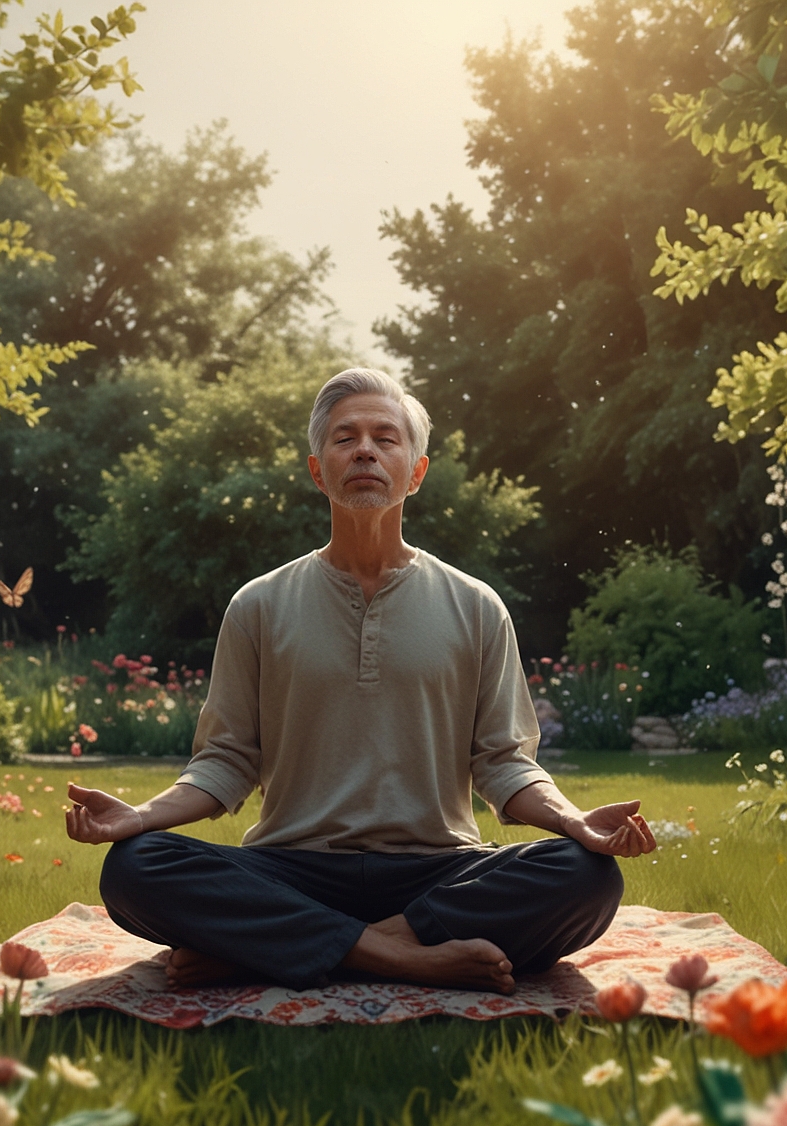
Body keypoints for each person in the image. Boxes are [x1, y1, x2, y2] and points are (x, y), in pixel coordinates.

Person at [64, 367, 657, 992]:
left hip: (435, 873)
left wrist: (574, 822)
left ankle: (277, 946)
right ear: (319, 470)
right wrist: (139, 819)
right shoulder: (258, 605)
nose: (366, 449)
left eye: (386, 437)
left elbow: (505, 763)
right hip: (290, 867)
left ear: (416, 471)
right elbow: (228, 761)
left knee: (585, 875)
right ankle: (403, 956)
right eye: (346, 438)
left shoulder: (477, 606)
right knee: (136, 867)